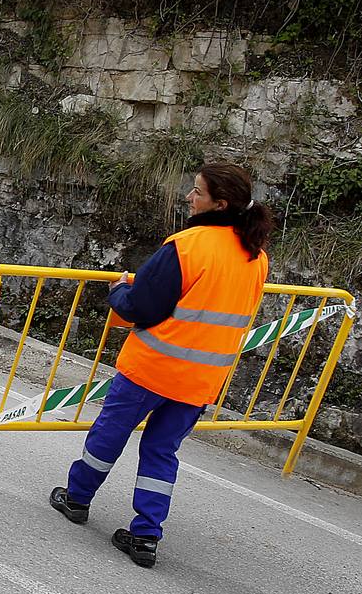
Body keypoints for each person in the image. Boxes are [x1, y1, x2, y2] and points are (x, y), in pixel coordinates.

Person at [50, 162, 272, 568]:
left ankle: (77, 499)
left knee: (109, 435)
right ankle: (145, 536)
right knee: (161, 453)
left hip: (151, 369)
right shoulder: (256, 258)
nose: (189, 196)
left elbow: (142, 308)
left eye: (197, 192)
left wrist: (118, 291)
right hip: (201, 381)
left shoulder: (186, 247)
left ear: (219, 204)